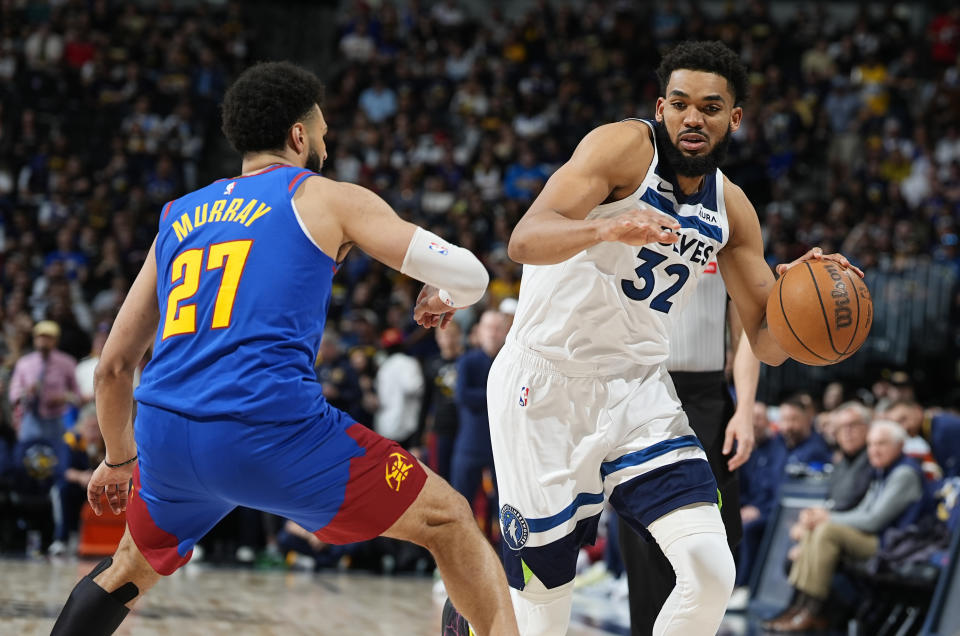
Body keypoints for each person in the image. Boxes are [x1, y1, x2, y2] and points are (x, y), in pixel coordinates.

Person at [51, 61, 518, 636]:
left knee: (129, 566)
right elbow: (471, 275)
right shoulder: (325, 197)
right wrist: (441, 291)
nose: (325, 141)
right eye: (321, 131)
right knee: (448, 519)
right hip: (269, 429)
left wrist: (119, 460)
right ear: (299, 136)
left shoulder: (177, 216)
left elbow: (115, 368)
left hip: (167, 434)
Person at [483, 40, 862, 635]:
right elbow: (525, 239)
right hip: (545, 384)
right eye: (681, 104)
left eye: (711, 108)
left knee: (711, 570)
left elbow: (766, 343)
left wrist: (801, 299)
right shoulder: (623, 147)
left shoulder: (732, 209)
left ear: (733, 119)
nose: (693, 118)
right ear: (661, 107)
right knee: (543, 614)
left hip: (639, 391)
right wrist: (609, 224)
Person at [618, 277, 761, 635]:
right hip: (643, 389)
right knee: (645, 541)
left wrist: (745, 409)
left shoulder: (727, 225)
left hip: (710, 399)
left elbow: (747, 333)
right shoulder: (627, 223)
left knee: (713, 544)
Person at [764, 420, 924, 632]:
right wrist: (824, 516)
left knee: (827, 531)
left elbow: (873, 520)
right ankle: (799, 607)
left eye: (882, 444)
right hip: (880, 538)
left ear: (900, 445)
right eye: (872, 444)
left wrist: (827, 519)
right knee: (818, 530)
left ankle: (813, 611)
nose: (874, 450)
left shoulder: (904, 474)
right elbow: (862, 512)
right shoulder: (884, 471)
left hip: (896, 544)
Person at [451, 310, 509, 529]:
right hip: (470, 443)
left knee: (504, 509)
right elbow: (463, 396)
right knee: (461, 504)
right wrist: (497, 394)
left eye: (498, 328)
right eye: (489, 328)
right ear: (479, 331)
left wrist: (484, 395)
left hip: (501, 447)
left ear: (505, 332)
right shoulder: (468, 360)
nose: (493, 334)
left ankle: (502, 562)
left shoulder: (510, 363)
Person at [8, 320, 79, 442]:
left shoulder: (67, 362)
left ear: (56, 340)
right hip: (31, 418)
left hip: (57, 418)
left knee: (59, 457)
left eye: (48, 338)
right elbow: (14, 393)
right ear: (34, 339)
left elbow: (77, 394)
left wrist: (64, 398)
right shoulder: (24, 363)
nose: (43, 341)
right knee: (28, 456)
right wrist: (26, 392)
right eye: (40, 337)